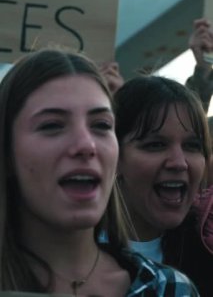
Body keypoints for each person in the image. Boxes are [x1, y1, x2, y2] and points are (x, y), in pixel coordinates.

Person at [0, 48, 199, 297]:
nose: (87, 144)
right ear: (7, 152)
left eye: (101, 125)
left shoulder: (170, 289)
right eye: (52, 125)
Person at [114, 74, 212, 297]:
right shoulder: (66, 251)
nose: (179, 162)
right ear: (114, 156)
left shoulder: (206, 257)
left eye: (192, 146)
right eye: (156, 145)